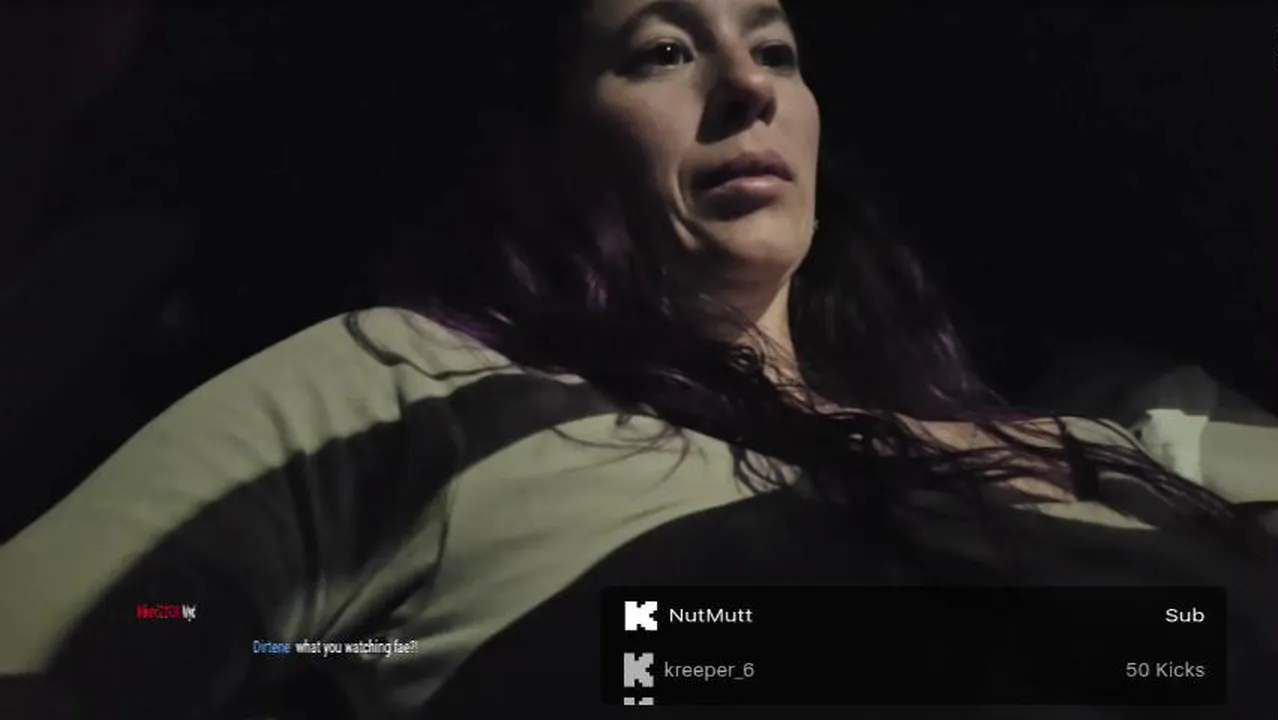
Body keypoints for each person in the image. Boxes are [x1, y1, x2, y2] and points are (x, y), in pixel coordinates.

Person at [0, 1, 1273, 717]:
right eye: (663, 51)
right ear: (552, 146)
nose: (747, 86)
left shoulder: (1124, 435)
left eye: (775, 50)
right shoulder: (411, 386)